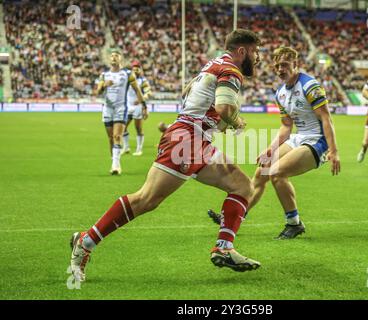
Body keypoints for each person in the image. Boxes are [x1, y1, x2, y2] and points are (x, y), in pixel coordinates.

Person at [70, 29, 262, 282]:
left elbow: (187, 91)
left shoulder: (213, 64)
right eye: (255, 51)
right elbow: (223, 107)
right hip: (187, 139)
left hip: (194, 138)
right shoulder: (231, 70)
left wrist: (209, 121)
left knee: (242, 186)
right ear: (242, 51)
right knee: (146, 200)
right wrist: (236, 121)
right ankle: (85, 242)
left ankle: (224, 247)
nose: (257, 57)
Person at [208, 46, 340, 239]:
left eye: (285, 65)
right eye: (277, 66)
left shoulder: (309, 86)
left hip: (317, 141)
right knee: (262, 172)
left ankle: (294, 223)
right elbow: (286, 126)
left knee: (277, 173)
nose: (280, 69)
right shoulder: (280, 92)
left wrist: (334, 151)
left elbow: (327, 118)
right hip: (299, 137)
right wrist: (270, 150)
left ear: (295, 64)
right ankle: (236, 216)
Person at [95, 50, 148, 175]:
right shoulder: (104, 75)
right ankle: (114, 161)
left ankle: (116, 166)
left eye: (116, 56)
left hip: (121, 109)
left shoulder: (128, 74)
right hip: (107, 109)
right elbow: (98, 92)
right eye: (111, 56)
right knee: (110, 139)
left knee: (117, 136)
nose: (113, 58)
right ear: (109, 60)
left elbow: (138, 91)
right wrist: (104, 86)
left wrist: (144, 106)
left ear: (121, 59)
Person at [122, 60, 152, 156]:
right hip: (128, 106)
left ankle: (139, 149)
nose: (135, 71)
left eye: (137, 69)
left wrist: (141, 101)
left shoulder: (143, 81)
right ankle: (126, 147)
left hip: (138, 107)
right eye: (133, 69)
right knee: (123, 127)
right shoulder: (128, 79)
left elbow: (149, 92)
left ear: (140, 70)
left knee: (138, 128)